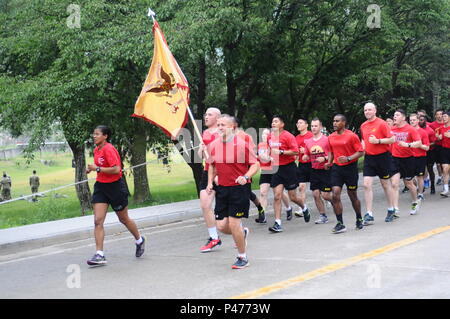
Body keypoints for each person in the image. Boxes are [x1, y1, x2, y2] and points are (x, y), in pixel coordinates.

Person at [86, 125, 145, 266]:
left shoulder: (109, 149)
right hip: (101, 187)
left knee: (123, 219)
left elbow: (116, 169)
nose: (94, 136)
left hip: (115, 187)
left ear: (105, 136)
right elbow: (100, 166)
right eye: (93, 134)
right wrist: (91, 169)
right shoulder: (96, 150)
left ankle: (139, 240)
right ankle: (99, 254)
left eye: (97, 134)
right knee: (98, 221)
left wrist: (98, 168)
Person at [206, 114, 260, 269]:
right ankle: (242, 234)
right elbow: (212, 165)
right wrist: (210, 182)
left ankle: (242, 257)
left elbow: (255, 165)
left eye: (223, 125)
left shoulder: (242, 144)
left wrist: (246, 176)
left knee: (234, 223)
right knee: (222, 226)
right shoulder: (213, 145)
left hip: (239, 188)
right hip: (222, 188)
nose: (220, 127)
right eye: (218, 125)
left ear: (231, 127)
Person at [267, 115, 310, 233]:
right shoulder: (270, 136)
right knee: (277, 196)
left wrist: (281, 152)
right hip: (276, 168)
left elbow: (295, 151)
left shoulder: (288, 136)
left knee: (293, 197)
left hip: (289, 168)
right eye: (272, 122)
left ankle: (304, 208)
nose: (273, 124)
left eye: (276, 121)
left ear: (282, 124)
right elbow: (269, 149)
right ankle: (277, 223)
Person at [326, 114, 365, 233]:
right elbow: (331, 152)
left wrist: (348, 158)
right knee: (335, 194)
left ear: (343, 122)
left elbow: (360, 152)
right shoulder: (331, 137)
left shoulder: (351, 136)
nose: (334, 123)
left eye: (337, 121)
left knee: (352, 195)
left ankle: (359, 218)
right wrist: (329, 162)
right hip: (337, 168)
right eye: (334, 121)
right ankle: (340, 223)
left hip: (350, 168)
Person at [360, 102, 396, 225]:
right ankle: (369, 214)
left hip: (382, 157)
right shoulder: (363, 125)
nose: (367, 112)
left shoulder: (382, 123)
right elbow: (364, 140)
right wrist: (363, 146)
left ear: (375, 111)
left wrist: (378, 141)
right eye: (365, 110)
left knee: (385, 184)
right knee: (366, 184)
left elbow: (392, 139)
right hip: (369, 158)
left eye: (369, 110)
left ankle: (391, 209)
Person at [256, 128, 293, 223]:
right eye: (263, 134)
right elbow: (260, 157)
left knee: (278, 193)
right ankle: (262, 215)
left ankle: (288, 208)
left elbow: (272, 158)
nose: (264, 136)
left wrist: (267, 158)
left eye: (266, 134)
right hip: (264, 171)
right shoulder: (260, 145)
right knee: (263, 192)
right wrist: (258, 157)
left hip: (274, 170)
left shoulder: (274, 145)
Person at [198, 107, 222, 253]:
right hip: (208, 172)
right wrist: (201, 149)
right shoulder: (205, 133)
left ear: (218, 118)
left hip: (223, 173)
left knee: (226, 216)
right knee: (205, 205)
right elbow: (203, 156)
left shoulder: (222, 133)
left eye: (210, 114)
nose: (206, 117)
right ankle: (214, 238)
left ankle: (240, 230)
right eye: (205, 114)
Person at [390, 110, 422, 216]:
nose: (395, 117)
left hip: (408, 159)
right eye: (394, 115)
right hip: (395, 159)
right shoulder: (392, 128)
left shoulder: (410, 129)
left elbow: (419, 143)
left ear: (403, 118)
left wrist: (407, 145)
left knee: (409, 183)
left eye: (397, 115)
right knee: (394, 184)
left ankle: (414, 201)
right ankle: (395, 209)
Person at [303, 118, 334, 225]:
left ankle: (335, 201)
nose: (313, 128)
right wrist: (306, 156)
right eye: (312, 126)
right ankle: (323, 215)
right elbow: (306, 154)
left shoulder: (327, 139)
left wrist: (325, 159)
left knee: (325, 195)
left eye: (316, 126)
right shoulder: (308, 141)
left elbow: (332, 154)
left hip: (325, 170)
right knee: (315, 194)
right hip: (314, 170)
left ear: (320, 127)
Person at [294, 118, 313, 218]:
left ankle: (327, 199)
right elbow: (296, 152)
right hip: (301, 164)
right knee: (301, 187)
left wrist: (305, 150)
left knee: (317, 189)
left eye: (300, 123)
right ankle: (302, 208)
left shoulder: (311, 135)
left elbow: (317, 148)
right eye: (297, 123)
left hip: (313, 164)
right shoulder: (296, 137)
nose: (298, 124)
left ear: (306, 125)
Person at [409, 114, 430, 202]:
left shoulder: (423, 132)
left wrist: (419, 144)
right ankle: (416, 188)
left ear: (418, 121)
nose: (412, 122)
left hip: (420, 157)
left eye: (414, 120)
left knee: (419, 176)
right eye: (411, 120)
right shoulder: (407, 131)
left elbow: (427, 147)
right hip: (409, 157)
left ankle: (420, 194)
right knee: (409, 177)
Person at [420, 115, 437, 194]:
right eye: (419, 120)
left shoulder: (430, 130)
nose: (420, 121)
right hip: (420, 152)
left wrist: (426, 144)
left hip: (429, 152)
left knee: (430, 169)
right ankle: (421, 187)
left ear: (425, 121)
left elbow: (434, 142)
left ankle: (432, 186)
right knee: (421, 171)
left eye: (422, 120)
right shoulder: (415, 130)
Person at [436, 111, 450, 197]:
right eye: (442, 116)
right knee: (445, 169)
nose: (443, 118)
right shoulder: (440, 128)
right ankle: (445, 189)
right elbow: (438, 138)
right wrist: (439, 138)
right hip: (444, 150)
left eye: (445, 116)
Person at [429, 110, 445, 185]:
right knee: (438, 164)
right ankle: (440, 176)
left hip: (445, 145)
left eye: (441, 114)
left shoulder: (447, 123)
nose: (439, 116)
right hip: (436, 146)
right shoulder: (432, 125)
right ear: (435, 116)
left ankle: (445, 177)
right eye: (437, 114)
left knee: (445, 164)